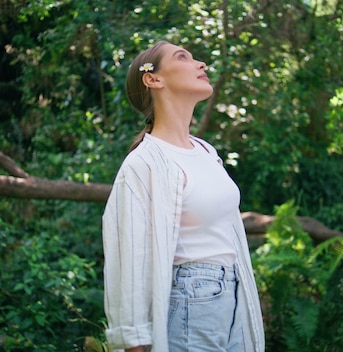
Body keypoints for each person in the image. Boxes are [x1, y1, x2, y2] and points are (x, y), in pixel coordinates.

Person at [102, 40, 265, 352]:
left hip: (233, 296)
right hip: (190, 302)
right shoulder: (143, 164)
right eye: (183, 57)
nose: (200, 64)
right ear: (153, 79)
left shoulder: (206, 152)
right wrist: (134, 341)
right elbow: (128, 257)